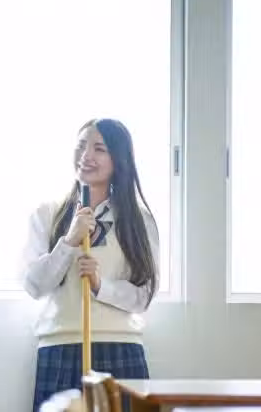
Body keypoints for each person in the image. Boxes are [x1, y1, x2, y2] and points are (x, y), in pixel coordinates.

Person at [22, 118, 159, 412]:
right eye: (81, 145)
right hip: (60, 346)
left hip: (120, 346)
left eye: (99, 148)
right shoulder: (47, 214)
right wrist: (69, 241)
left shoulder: (139, 221)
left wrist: (100, 286)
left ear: (118, 160)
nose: (86, 155)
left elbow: (143, 296)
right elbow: (34, 285)